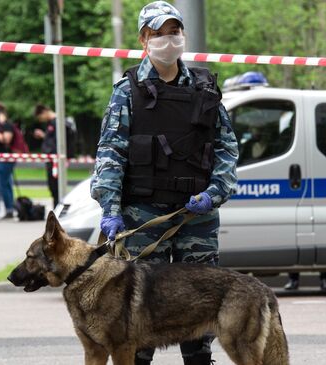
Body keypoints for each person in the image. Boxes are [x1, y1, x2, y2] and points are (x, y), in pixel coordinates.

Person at [89, 2, 239, 364]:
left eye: (174, 32)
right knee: (139, 314)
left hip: (195, 218)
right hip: (142, 217)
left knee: (199, 309)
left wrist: (214, 193)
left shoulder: (204, 89)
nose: (168, 40)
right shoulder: (127, 91)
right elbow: (110, 154)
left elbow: (227, 151)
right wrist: (110, 211)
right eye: (159, 33)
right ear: (144, 39)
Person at [33, 104, 76, 208]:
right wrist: (44, 136)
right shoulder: (53, 123)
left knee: (56, 187)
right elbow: (54, 141)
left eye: (40, 117)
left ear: (44, 111)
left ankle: (58, 211)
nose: (41, 120)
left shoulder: (59, 122)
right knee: (53, 188)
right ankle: (56, 210)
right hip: (51, 159)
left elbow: (60, 142)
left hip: (56, 160)